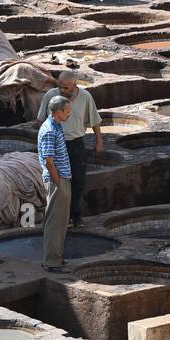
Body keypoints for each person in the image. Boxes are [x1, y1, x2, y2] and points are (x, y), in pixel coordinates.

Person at [36, 70, 102, 227]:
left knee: (78, 181)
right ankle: (58, 217)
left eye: (66, 88)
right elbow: (40, 120)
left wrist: (99, 140)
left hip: (75, 143)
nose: (62, 91)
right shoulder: (51, 96)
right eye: (60, 87)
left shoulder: (85, 97)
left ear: (75, 85)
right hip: (56, 144)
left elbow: (94, 119)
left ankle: (75, 217)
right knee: (57, 182)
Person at [37, 94, 72, 273]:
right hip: (56, 180)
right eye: (66, 111)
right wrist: (58, 183)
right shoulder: (50, 130)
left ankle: (54, 257)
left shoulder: (55, 126)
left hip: (60, 179)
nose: (69, 114)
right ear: (57, 112)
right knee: (55, 222)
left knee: (59, 221)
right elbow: (48, 160)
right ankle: (52, 262)